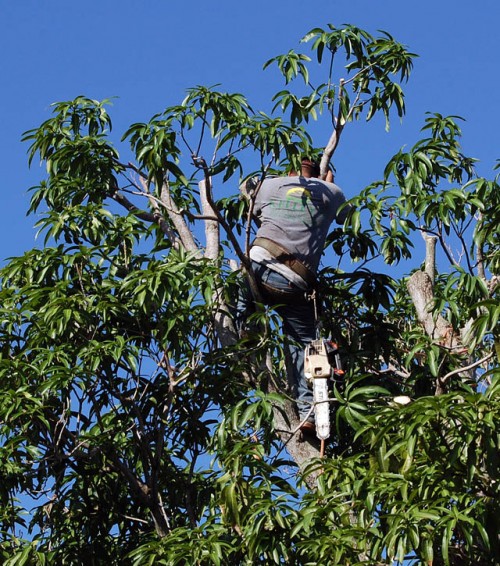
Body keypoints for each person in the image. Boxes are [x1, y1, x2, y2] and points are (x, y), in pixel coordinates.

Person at [237, 158, 349, 434]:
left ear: (291, 172)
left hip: (258, 268)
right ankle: (308, 410)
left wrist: (277, 182)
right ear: (324, 175)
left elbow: (245, 187)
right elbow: (350, 218)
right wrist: (327, 188)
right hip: (293, 282)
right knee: (303, 344)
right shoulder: (332, 193)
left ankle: (244, 327)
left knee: (239, 290)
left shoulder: (274, 184)